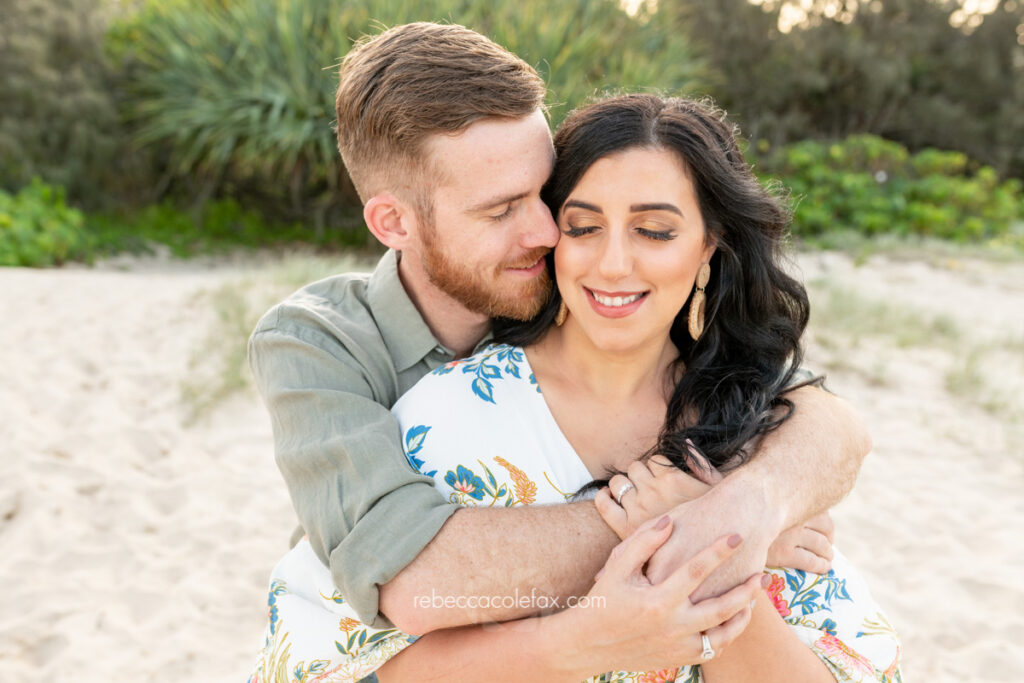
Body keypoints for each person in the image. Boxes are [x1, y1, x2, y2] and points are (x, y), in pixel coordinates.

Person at [248, 22, 874, 682]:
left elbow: (820, 417)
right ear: (394, 223)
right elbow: (413, 581)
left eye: (548, 195)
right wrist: (703, 530)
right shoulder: (318, 343)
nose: (549, 232)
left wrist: (752, 502)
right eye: (503, 209)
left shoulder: (585, 292)